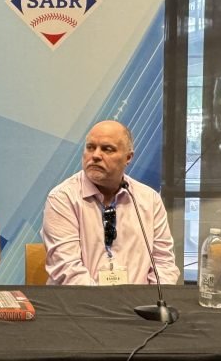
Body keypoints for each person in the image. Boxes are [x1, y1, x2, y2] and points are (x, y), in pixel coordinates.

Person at [42, 120, 179, 286]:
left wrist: (150, 303)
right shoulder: (63, 198)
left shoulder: (149, 200)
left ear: (128, 157)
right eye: (90, 147)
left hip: (139, 307)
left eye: (107, 149)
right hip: (79, 306)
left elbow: (163, 264)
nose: (96, 156)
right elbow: (67, 269)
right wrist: (110, 305)